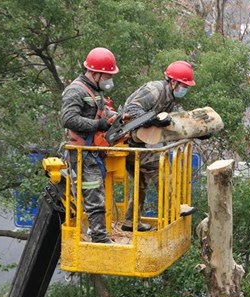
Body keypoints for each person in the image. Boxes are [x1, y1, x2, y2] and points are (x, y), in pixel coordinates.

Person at [120, 61, 196, 232]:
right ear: (173, 82)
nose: (185, 89)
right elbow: (131, 109)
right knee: (159, 165)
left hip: (137, 141)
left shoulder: (170, 98)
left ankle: (131, 222)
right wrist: (149, 119)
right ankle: (173, 209)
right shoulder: (155, 90)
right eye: (183, 85)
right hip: (124, 138)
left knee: (142, 180)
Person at [60, 47, 119, 243]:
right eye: (107, 75)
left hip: (93, 152)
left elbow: (101, 113)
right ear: (95, 73)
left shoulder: (95, 91)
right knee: (93, 194)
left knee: (97, 192)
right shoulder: (75, 91)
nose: (108, 80)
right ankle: (100, 238)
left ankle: (99, 234)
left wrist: (117, 117)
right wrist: (98, 125)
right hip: (81, 153)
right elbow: (68, 119)